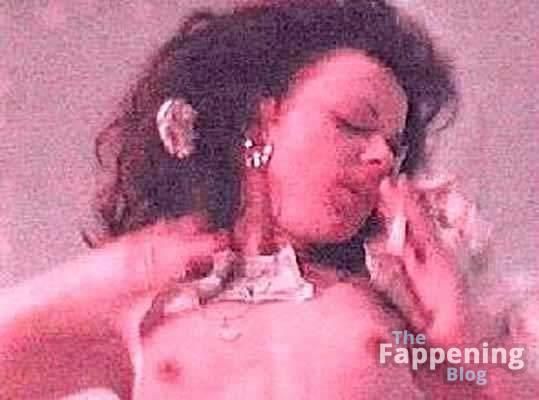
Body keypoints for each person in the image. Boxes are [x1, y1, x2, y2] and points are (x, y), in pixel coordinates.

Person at [1, 0, 535, 399]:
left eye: (394, 148)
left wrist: (462, 334)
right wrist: (103, 277)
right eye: (354, 123)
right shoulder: (141, 311)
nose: (380, 157)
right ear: (259, 122)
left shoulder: (391, 309)